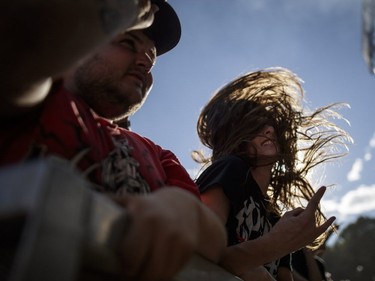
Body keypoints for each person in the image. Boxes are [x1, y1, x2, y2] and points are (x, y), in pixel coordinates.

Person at [0, 1, 227, 280]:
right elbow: (20, 39)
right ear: (82, 43)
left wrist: (182, 210)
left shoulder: (157, 153)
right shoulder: (32, 95)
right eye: (128, 42)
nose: (145, 63)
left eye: (152, 60)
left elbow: (215, 239)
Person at [193, 68, 352, 280]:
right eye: (254, 125)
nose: (268, 130)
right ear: (235, 135)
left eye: (269, 125)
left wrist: (290, 243)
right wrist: (275, 244)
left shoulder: (276, 217)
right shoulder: (230, 169)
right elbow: (203, 252)